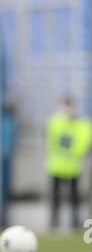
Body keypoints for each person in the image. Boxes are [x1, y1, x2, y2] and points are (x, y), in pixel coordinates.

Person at [46, 97, 92, 228]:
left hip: (73, 167)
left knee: (74, 198)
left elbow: (84, 143)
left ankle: (74, 223)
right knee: (56, 198)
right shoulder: (55, 121)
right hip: (56, 166)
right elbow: (52, 135)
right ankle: (54, 223)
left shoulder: (82, 124)